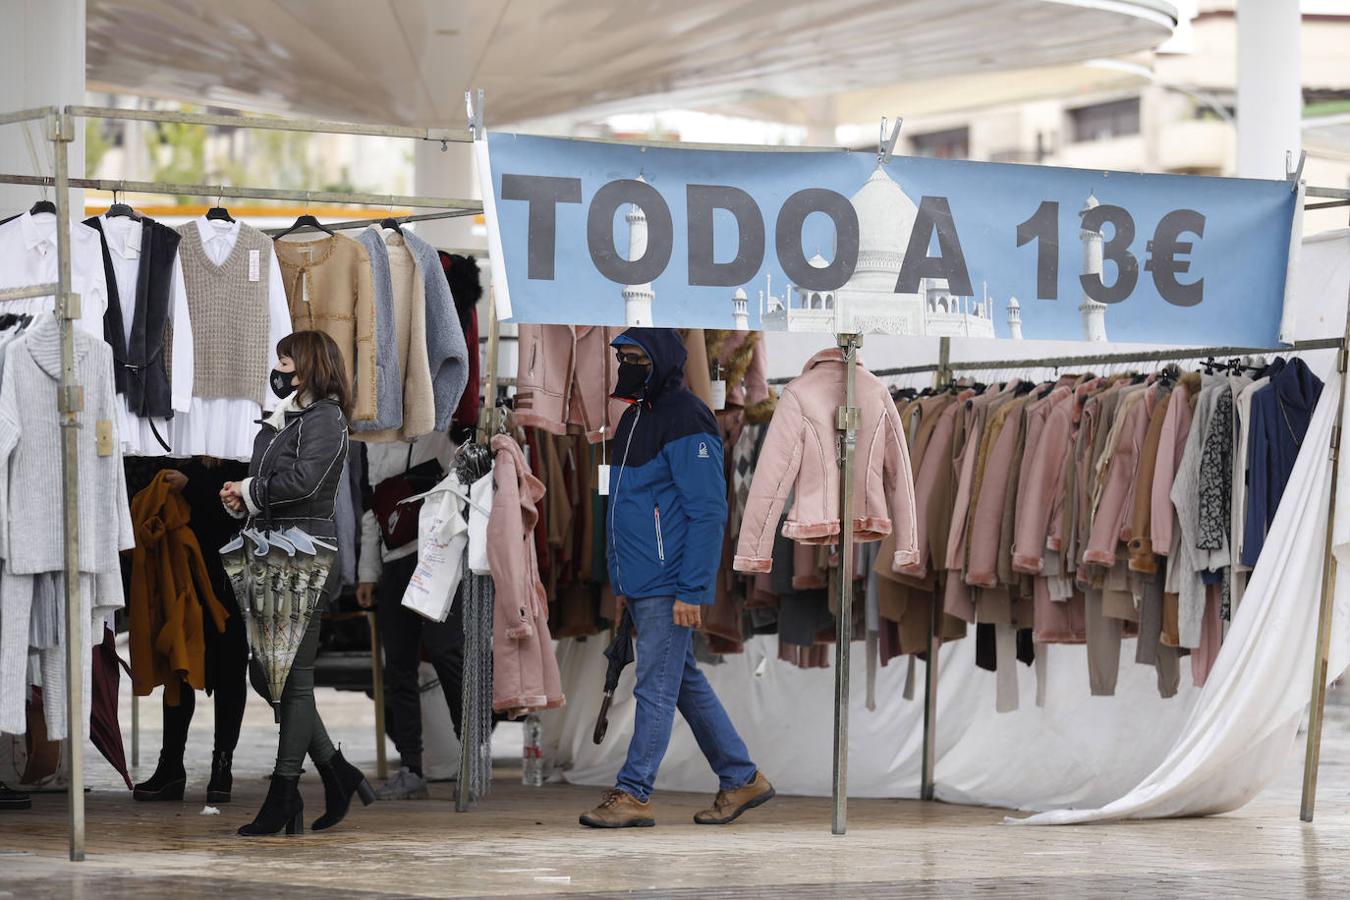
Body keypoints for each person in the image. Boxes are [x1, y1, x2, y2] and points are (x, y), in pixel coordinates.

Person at [580, 328, 774, 829]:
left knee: (656, 686)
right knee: (679, 680)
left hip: (670, 582)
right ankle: (740, 777)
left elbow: (708, 512)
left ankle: (634, 791)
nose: (627, 365)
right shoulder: (633, 420)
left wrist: (693, 590)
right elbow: (627, 509)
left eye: (635, 357)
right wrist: (622, 586)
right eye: (622, 357)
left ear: (662, 358)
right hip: (644, 581)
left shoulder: (688, 417)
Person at [219, 330, 374, 836]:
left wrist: (250, 489)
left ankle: (285, 792)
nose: (278, 368)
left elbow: (304, 482)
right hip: (275, 552)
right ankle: (336, 770)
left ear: (305, 367)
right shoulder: (292, 415)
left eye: (284, 360)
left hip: (304, 556)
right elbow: (274, 481)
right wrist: (244, 498)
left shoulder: (326, 418)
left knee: (292, 678)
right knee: (268, 675)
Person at [356, 430, 466, 800]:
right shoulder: (374, 436)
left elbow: (463, 476)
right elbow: (373, 507)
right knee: (399, 665)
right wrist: (368, 572)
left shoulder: (441, 423)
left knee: (446, 651)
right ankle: (411, 766)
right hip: (396, 556)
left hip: (438, 550)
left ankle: (470, 752)